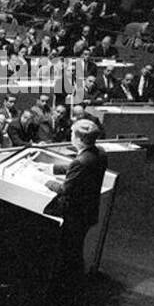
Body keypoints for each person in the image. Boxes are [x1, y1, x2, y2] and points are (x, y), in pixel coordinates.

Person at [45, 118, 108, 286]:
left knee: (70, 250)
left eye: (73, 134)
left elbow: (65, 189)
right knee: (75, 248)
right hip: (88, 211)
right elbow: (79, 166)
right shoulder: (99, 152)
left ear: (79, 139)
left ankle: (69, 286)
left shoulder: (81, 161)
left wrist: (45, 180)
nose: (71, 136)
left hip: (75, 214)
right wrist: (53, 168)